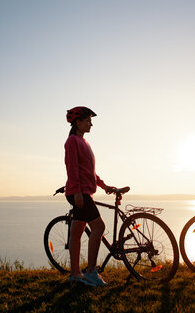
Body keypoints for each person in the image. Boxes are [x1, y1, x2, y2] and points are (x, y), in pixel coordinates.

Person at [64, 106, 117, 287]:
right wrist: (78, 193)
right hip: (79, 193)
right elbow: (72, 168)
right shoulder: (72, 141)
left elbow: (89, 171)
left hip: (84, 192)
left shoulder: (83, 142)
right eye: (88, 121)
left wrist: (103, 185)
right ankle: (91, 272)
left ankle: (75, 274)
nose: (91, 124)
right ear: (77, 123)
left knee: (77, 232)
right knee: (99, 227)